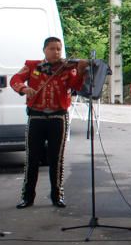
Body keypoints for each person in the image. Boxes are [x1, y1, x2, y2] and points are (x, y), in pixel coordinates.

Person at [10, 37, 88, 209]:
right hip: (36, 117)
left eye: (59, 49)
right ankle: (27, 197)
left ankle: (57, 195)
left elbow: (76, 86)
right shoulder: (32, 66)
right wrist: (24, 89)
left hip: (58, 118)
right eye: (52, 48)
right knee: (32, 158)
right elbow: (15, 79)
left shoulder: (67, 69)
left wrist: (81, 71)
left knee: (56, 159)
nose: (56, 52)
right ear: (44, 50)